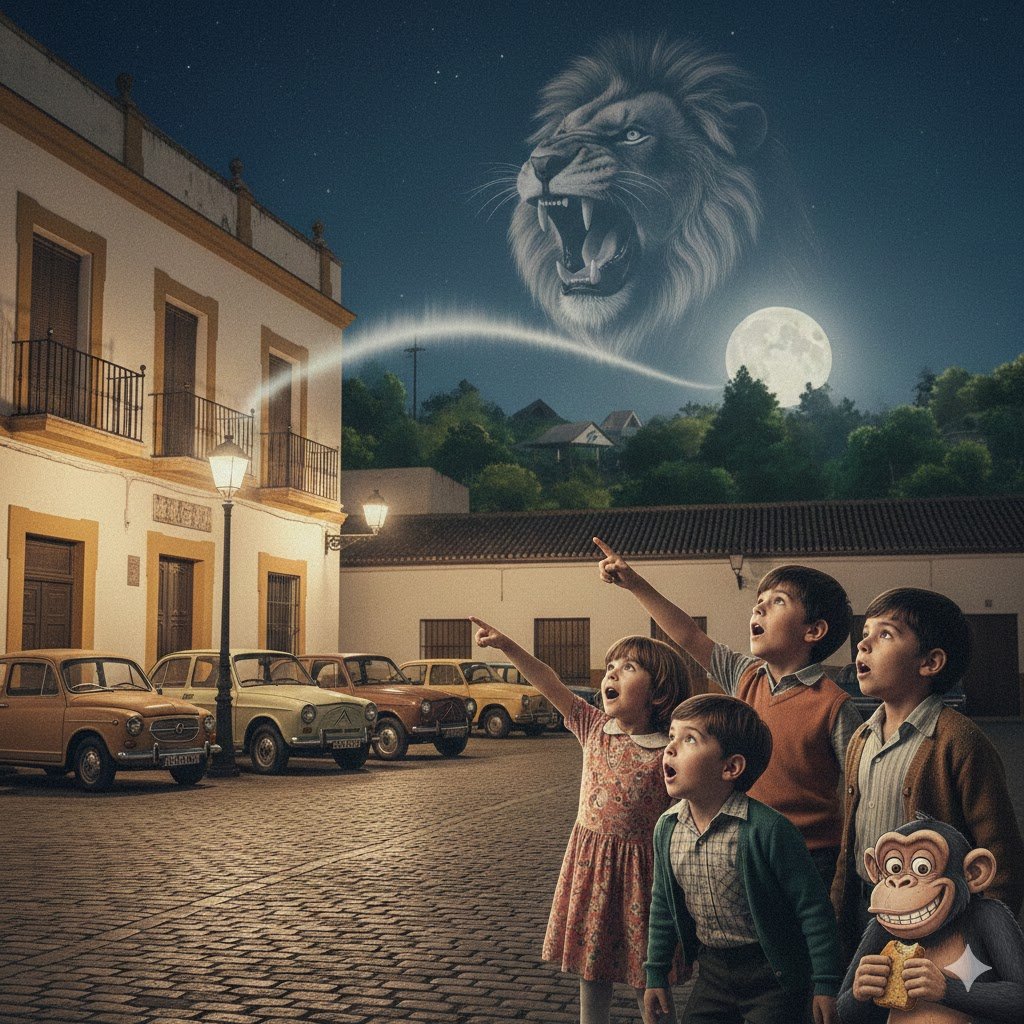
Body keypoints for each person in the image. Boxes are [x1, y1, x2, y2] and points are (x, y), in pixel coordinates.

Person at [595, 537, 860, 889]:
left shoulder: (835, 706)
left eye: (776, 602)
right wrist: (635, 584)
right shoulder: (743, 675)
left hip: (809, 855)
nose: (758, 610)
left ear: (813, 630)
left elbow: (859, 791)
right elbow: (688, 635)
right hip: (743, 844)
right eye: (758, 602)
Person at [470, 615, 691, 1024]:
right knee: (592, 969)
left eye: (629, 667)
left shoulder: (671, 751)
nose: (612, 672)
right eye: (611, 666)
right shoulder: (593, 727)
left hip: (646, 878)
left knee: (650, 976)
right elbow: (548, 681)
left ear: (658, 692)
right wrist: (507, 646)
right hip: (592, 869)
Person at [830, 587, 1024, 958]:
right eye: (865, 633)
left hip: (935, 914)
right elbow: (849, 844)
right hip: (866, 907)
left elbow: (1001, 859)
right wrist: (837, 913)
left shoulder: (959, 741)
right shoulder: (861, 737)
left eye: (884, 634)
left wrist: (979, 947)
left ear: (930, 662)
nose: (862, 645)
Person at [645, 693, 841, 1024]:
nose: (670, 748)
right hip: (713, 971)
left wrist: (825, 984)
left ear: (731, 767)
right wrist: (656, 974)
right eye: (672, 736)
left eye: (689, 739)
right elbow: (663, 905)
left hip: (772, 974)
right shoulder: (667, 828)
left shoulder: (768, 830)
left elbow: (814, 911)